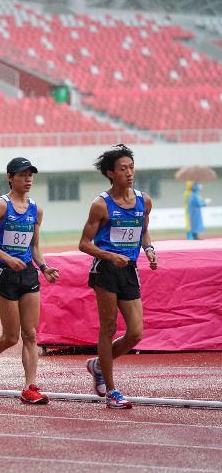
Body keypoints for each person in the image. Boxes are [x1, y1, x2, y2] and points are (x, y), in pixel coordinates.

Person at [0, 158, 59, 404]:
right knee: (11, 337)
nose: (28, 179)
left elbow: (34, 247)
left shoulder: (36, 210)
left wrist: (44, 267)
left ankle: (29, 387)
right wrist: (7, 258)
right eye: (22, 175)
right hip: (6, 275)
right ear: (10, 177)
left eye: (31, 175)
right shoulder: (2, 205)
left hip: (28, 274)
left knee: (30, 334)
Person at [78, 144, 158, 409]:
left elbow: (142, 230)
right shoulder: (100, 204)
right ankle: (111, 390)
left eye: (132, 167)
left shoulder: (143, 200)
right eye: (123, 169)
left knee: (136, 333)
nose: (129, 173)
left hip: (130, 269)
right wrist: (111, 256)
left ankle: (98, 364)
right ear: (111, 173)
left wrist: (148, 249)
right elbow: (84, 244)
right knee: (109, 327)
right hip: (106, 269)